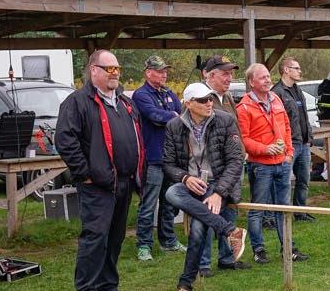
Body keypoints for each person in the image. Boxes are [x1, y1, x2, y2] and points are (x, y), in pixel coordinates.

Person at [55, 49, 146, 291]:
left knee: (115, 239)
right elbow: (65, 140)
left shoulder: (125, 103)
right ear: (94, 70)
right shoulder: (77, 102)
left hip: (124, 183)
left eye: (117, 69)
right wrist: (85, 173)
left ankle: (108, 285)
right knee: (95, 240)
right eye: (109, 68)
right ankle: (87, 287)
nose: (115, 73)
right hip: (97, 186)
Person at [163, 83, 248, 291]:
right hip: (191, 185)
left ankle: (185, 283)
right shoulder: (174, 125)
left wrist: (219, 193)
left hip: (218, 184)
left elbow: (236, 161)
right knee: (171, 192)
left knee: (198, 229)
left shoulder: (225, 120)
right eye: (202, 100)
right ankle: (230, 230)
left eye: (210, 98)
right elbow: (168, 163)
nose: (209, 103)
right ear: (189, 103)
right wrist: (184, 178)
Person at [237, 63, 311, 264]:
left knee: (283, 207)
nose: (268, 80)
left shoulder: (276, 99)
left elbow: (287, 127)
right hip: (260, 166)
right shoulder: (244, 106)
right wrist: (264, 149)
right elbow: (243, 139)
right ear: (252, 82)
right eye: (262, 78)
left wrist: (288, 153)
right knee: (257, 209)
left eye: (268, 76)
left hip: (282, 163)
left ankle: (288, 247)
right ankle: (259, 250)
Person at [131, 55, 186, 261]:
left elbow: (182, 114)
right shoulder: (141, 94)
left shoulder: (169, 93)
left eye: (165, 71)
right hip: (152, 158)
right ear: (148, 73)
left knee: (169, 201)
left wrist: (172, 115)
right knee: (148, 203)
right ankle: (144, 245)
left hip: (170, 159)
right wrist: (172, 115)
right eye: (160, 71)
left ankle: (168, 241)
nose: (164, 74)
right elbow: (155, 117)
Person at [198, 54, 247, 277]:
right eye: (225, 73)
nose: (229, 78)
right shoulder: (200, 97)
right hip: (211, 169)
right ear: (210, 75)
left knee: (229, 213)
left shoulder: (226, 98)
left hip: (231, 167)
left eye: (230, 73)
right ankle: (204, 263)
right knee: (208, 216)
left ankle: (227, 258)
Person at [271, 57, 316, 222]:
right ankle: (279, 214)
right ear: (286, 70)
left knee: (304, 179)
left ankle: (300, 212)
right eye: (296, 68)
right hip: (288, 144)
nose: (300, 71)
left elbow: (304, 116)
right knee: (283, 181)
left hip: (303, 142)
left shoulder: (298, 90)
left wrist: (309, 137)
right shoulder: (277, 92)